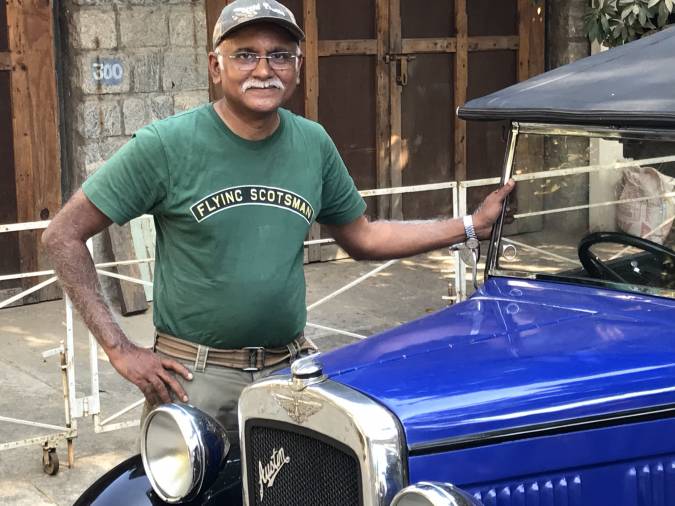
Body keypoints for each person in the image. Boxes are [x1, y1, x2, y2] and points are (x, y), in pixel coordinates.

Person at [42, 0, 514, 443]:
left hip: (289, 373)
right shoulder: (166, 145)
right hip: (194, 382)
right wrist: (120, 349)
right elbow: (63, 234)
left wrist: (471, 224)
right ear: (215, 66)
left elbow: (364, 236)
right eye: (245, 55)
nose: (264, 70)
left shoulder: (312, 143)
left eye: (279, 56)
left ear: (297, 67)